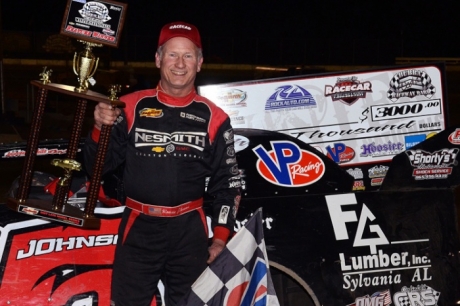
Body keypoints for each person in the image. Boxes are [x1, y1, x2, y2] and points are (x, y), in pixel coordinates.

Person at [83, 21, 241, 306]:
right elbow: (96, 167)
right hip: (138, 226)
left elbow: (228, 183)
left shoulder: (216, 117)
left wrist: (220, 237)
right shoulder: (127, 107)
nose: (180, 64)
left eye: (188, 55)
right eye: (172, 54)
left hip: (190, 231)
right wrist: (98, 129)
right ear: (158, 59)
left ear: (200, 62)